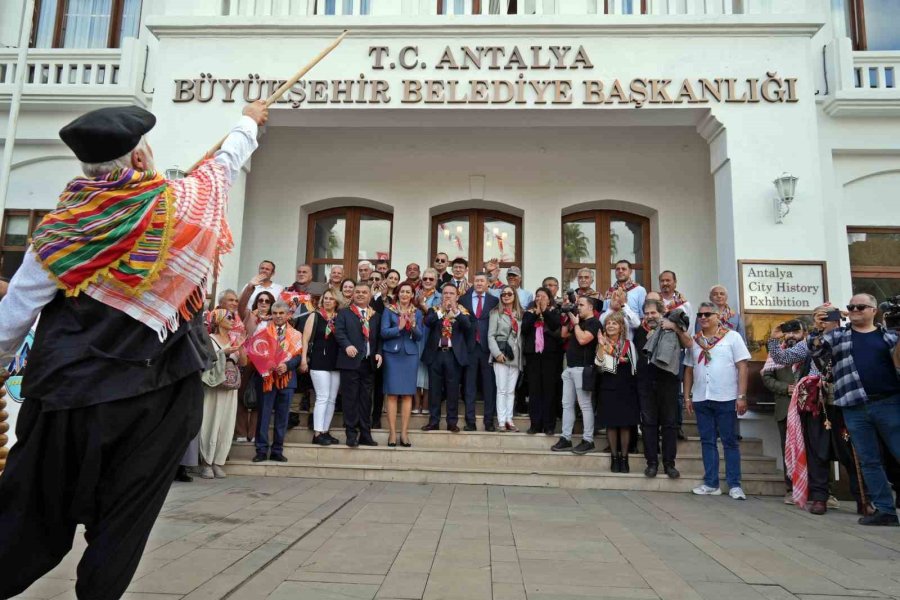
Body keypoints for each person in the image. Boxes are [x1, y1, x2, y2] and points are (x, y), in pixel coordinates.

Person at [0, 100, 267, 599]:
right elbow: (224, 166)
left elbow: (14, 315)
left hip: (66, 396)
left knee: (29, 513)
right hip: (156, 398)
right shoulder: (182, 205)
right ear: (141, 161)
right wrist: (249, 121)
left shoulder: (61, 229)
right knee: (126, 517)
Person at [808, 293, 900, 526]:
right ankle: (885, 510)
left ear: (874, 310)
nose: (856, 310)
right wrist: (818, 331)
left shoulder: (889, 336)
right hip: (854, 406)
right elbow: (817, 354)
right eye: (851, 307)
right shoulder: (838, 335)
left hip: (888, 402)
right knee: (869, 460)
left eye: (861, 306)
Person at [684, 302, 750, 500]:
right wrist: (687, 395)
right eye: (700, 314)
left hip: (726, 396)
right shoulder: (695, 341)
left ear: (718, 316)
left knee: (729, 441)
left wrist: (742, 395)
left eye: (708, 314)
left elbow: (743, 367)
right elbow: (688, 369)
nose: (703, 318)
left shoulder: (732, 337)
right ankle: (711, 482)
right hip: (702, 396)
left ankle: (734, 484)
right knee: (707, 441)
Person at [635, 299, 691, 479]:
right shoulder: (639, 332)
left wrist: (675, 328)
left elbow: (688, 344)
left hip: (668, 381)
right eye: (647, 313)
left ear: (661, 313)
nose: (650, 316)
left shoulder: (671, 328)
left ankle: (669, 464)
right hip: (645, 382)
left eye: (653, 313)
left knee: (669, 423)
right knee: (648, 424)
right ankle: (651, 463)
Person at [252, 301, 303, 463]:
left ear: (288, 315)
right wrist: (268, 364)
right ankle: (261, 450)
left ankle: (277, 450)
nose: (278, 316)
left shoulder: (296, 334)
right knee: (264, 415)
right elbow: (256, 352)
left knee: (282, 417)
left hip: (287, 380)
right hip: (267, 379)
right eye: (275, 313)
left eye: (282, 313)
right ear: (271, 315)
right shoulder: (263, 331)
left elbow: (299, 357)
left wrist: (286, 366)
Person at [200, 309, 247, 479]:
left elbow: (243, 362)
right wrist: (223, 353)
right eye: (228, 317)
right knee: (211, 421)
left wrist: (240, 348)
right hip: (214, 386)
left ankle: (218, 461)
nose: (232, 320)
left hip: (230, 386)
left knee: (226, 423)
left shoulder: (233, 339)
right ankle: (206, 462)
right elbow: (206, 362)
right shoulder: (210, 339)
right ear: (218, 320)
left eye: (233, 317)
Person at [335, 281, 383, 447]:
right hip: (350, 362)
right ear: (353, 295)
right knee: (350, 399)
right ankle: (351, 434)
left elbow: (379, 338)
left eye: (364, 292)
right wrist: (347, 345)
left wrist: (379, 353)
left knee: (366, 400)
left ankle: (365, 434)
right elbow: (339, 332)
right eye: (358, 292)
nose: (361, 294)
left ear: (369, 295)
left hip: (368, 363)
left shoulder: (375, 315)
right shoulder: (344, 313)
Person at [762, 320, 805, 504]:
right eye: (788, 332)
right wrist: (785, 388)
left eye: (796, 331)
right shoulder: (776, 352)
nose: (792, 335)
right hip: (785, 408)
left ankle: (823, 491)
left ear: (805, 332)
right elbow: (767, 377)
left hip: (808, 408)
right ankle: (791, 489)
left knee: (816, 449)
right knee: (788, 449)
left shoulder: (811, 349)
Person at [552, 296, 600, 455]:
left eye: (581, 305)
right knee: (566, 404)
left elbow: (583, 339)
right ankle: (566, 437)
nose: (577, 307)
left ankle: (588, 439)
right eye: (577, 304)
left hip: (583, 368)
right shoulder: (578, 321)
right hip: (570, 368)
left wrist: (577, 323)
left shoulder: (594, 323)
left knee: (585, 405)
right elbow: (564, 334)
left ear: (590, 307)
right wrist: (568, 318)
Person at [422, 284, 472, 432]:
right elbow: (427, 322)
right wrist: (442, 311)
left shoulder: (462, 311)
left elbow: (467, 326)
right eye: (445, 293)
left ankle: (452, 422)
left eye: (451, 293)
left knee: (452, 390)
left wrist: (455, 311)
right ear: (441, 295)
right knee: (435, 390)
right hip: (436, 354)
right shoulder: (435, 310)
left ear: (457, 296)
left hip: (453, 355)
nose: (448, 296)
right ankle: (434, 421)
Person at [381, 282, 424, 447]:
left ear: (412, 295)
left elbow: (419, 336)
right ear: (397, 294)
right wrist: (398, 328)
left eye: (408, 292)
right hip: (392, 355)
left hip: (410, 356)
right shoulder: (389, 310)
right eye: (402, 292)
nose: (405, 294)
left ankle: (404, 433)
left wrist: (412, 326)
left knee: (407, 394)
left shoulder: (417, 312)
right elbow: (383, 332)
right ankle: (392, 433)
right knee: (392, 394)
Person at [596, 311, 640, 473]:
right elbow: (600, 367)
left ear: (621, 327)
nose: (611, 325)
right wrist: (602, 346)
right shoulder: (602, 343)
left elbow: (635, 368)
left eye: (614, 323)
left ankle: (625, 458)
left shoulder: (629, 344)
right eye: (608, 323)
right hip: (609, 387)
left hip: (626, 388)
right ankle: (614, 458)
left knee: (625, 425)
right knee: (612, 424)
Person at [301, 290, 342, 446]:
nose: (328, 301)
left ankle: (325, 431)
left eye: (331, 299)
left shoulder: (339, 317)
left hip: (335, 361)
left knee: (331, 398)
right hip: (318, 360)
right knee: (322, 397)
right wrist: (304, 359)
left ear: (336, 301)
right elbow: (305, 339)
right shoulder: (315, 316)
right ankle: (317, 433)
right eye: (325, 298)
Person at [234, 290, 275, 443]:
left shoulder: (274, 320)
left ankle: (254, 433)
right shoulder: (249, 315)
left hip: (265, 363)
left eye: (267, 301)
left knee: (260, 398)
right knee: (241, 396)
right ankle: (241, 432)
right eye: (260, 300)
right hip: (247, 359)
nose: (263, 303)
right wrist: (251, 286)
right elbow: (240, 304)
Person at [460, 273, 499, 431]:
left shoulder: (494, 301)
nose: (479, 283)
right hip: (469, 348)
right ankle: (470, 421)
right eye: (476, 281)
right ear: (473, 283)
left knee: (489, 386)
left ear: (488, 284)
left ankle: (489, 421)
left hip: (487, 348)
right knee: (469, 387)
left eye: (482, 281)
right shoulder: (463, 300)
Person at [523, 287, 563, 435]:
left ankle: (549, 425)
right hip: (533, 355)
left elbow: (555, 325)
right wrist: (536, 314)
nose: (540, 299)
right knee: (534, 390)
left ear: (549, 298)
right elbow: (524, 329)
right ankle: (535, 424)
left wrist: (545, 311)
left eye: (543, 296)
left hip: (550, 355)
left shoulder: (554, 311)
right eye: (537, 296)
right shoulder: (529, 312)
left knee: (549, 390)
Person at [489, 285, 524, 432]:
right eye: (503, 294)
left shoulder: (521, 314)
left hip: (515, 355)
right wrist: (496, 353)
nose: (506, 296)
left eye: (509, 293)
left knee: (511, 391)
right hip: (501, 353)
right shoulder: (496, 313)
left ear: (514, 295)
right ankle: (502, 421)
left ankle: (510, 419)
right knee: (502, 389)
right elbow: (490, 335)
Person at [414, 268, 443, 415]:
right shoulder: (414, 295)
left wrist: (423, 306)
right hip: (416, 335)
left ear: (436, 281)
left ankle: (425, 404)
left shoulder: (441, 297)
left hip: (432, 336)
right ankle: (415, 403)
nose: (427, 281)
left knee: (428, 369)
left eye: (431, 279)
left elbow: (437, 317)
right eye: (425, 279)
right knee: (416, 368)